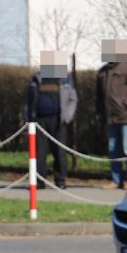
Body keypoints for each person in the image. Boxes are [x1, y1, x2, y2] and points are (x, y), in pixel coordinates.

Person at [25, 51, 78, 189]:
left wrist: (67, 117)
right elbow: (29, 102)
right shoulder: (36, 78)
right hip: (39, 121)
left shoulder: (65, 78)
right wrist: (29, 120)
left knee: (59, 151)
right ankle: (39, 181)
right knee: (39, 152)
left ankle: (60, 181)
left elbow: (73, 99)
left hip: (58, 119)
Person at [96, 37, 127, 189]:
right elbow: (99, 95)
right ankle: (116, 180)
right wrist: (100, 113)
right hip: (111, 118)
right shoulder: (103, 71)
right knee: (113, 150)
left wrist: (125, 104)